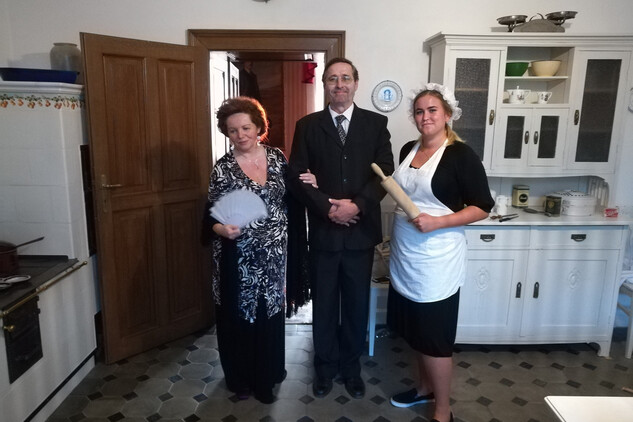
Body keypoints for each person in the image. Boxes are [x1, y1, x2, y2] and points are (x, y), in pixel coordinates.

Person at [387, 83, 494, 422]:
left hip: (437, 258)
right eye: (419, 111)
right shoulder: (408, 149)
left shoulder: (461, 155)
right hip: (406, 254)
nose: (425, 117)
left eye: (432, 110)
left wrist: (439, 222)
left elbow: (483, 206)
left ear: (447, 114)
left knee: (435, 338)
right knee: (417, 332)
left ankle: (443, 411)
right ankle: (424, 389)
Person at [288, 58, 394, 399]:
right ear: (325, 85)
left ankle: (351, 367)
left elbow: (385, 173)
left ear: (356, 83)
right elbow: (297, 176)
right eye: (332, 78)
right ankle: (324, 367)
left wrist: (356, 206)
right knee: (324, 304)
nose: (339, 84)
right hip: (324, 232)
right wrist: (328, 208)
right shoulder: (308, 126)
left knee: (355, 305)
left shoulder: (376, 124)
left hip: (360, 233)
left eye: (345, 78)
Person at [206, 96, 314, 404]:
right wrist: (222, 229)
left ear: (258, 127)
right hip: (238, 259)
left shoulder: (277, 157)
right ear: (227, 133)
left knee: (270, 315)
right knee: (240, 318)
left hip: (275, 256)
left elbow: (295, 192)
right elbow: (209, 215)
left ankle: (267, 376)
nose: (240, 135)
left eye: (245, 128)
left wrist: (312, 180)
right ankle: (241, 379)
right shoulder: (223, 167)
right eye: (233, 130)